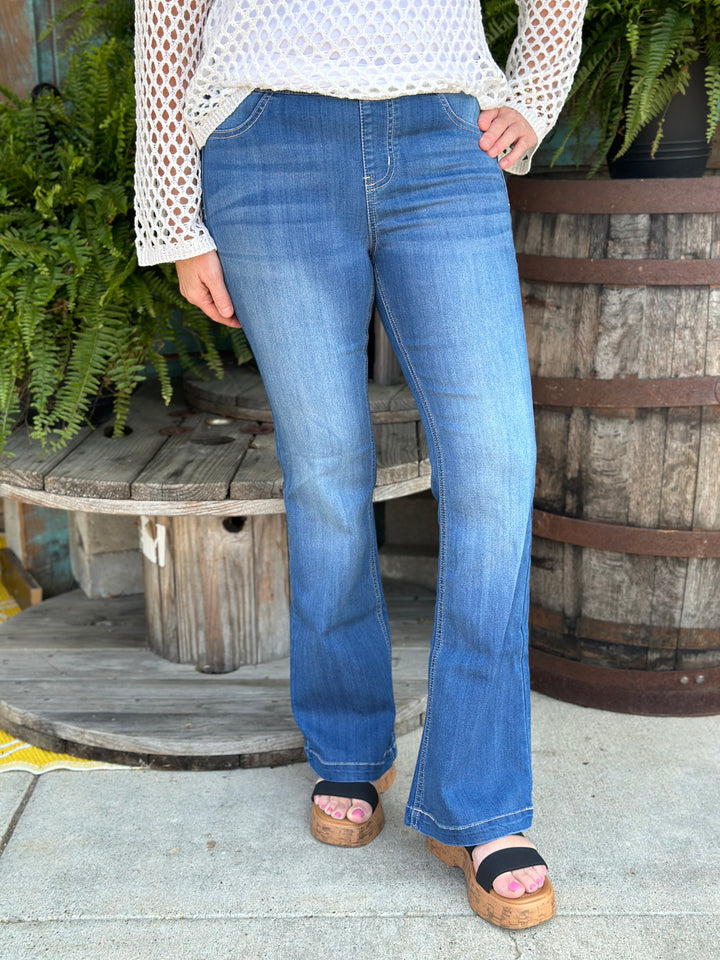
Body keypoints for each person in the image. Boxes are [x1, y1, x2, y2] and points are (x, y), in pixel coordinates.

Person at [134, 0, 587, 929]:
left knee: (497, 461)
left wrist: (537, 95)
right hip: (266, 144)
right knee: (326, 467)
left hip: (443, 141)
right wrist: (178, 221)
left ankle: (479, 802)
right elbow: (167, 19)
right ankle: (348, 745)